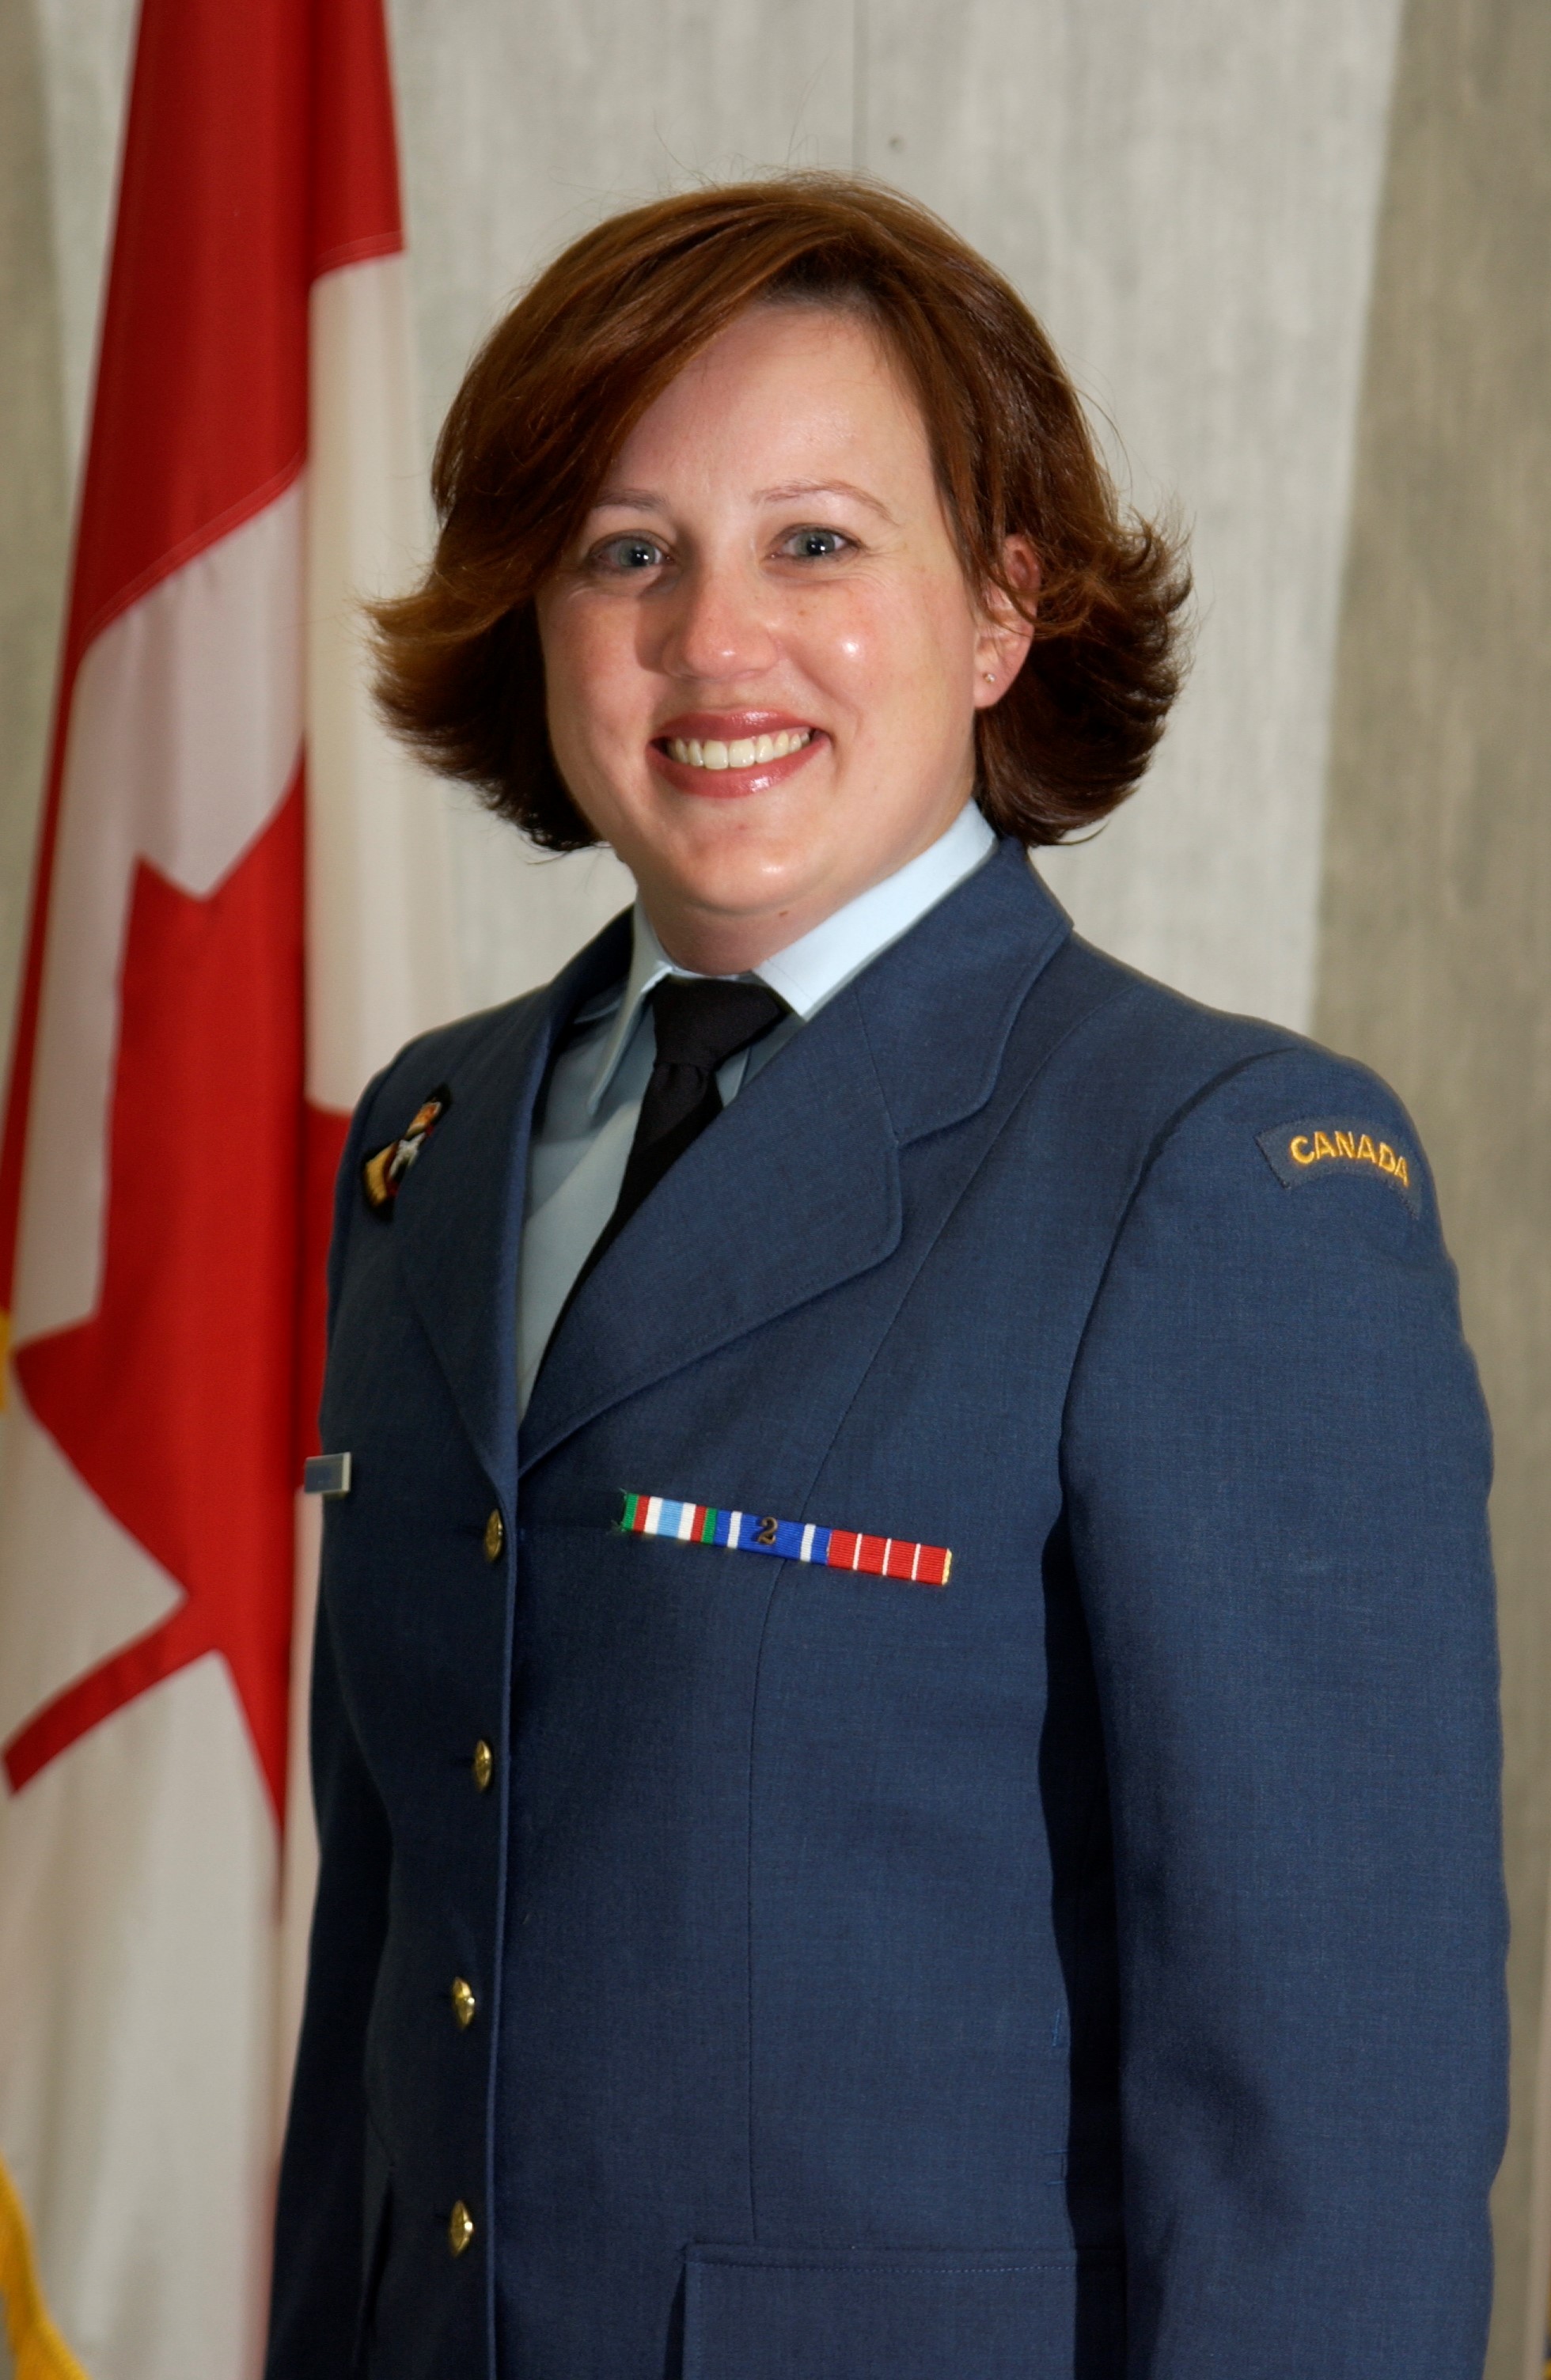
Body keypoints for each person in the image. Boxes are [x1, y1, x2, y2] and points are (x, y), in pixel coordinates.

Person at [265, 176, 1507, 2380]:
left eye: (817, 544)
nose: (711, 642)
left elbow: (1332, 2142)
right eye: (626, 552)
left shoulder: (1210, 1175)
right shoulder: (428, 1146)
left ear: (1004, 608)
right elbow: (381, 1981)